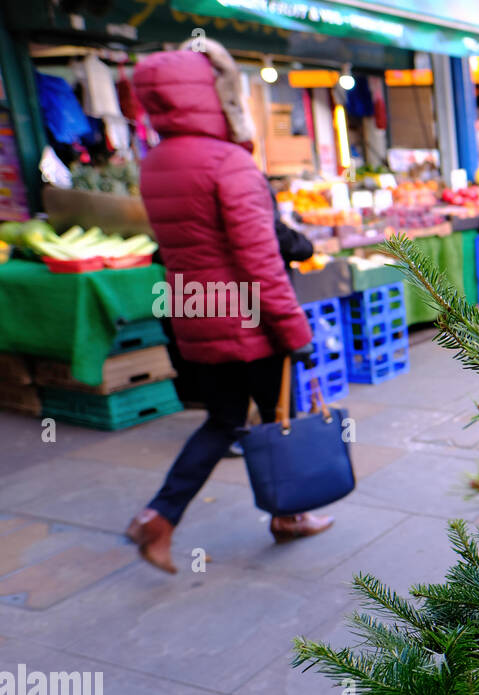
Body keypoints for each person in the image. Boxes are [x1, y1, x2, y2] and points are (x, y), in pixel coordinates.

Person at [124, 38, 334, 575]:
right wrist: (295, 333)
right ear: (215, 96)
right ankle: (288, 517)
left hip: (194, 313)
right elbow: (260, 260)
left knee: (221, 420)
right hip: (250, 322)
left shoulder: (156, 163)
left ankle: (159, 516)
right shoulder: (229, 163)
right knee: (277, 419)